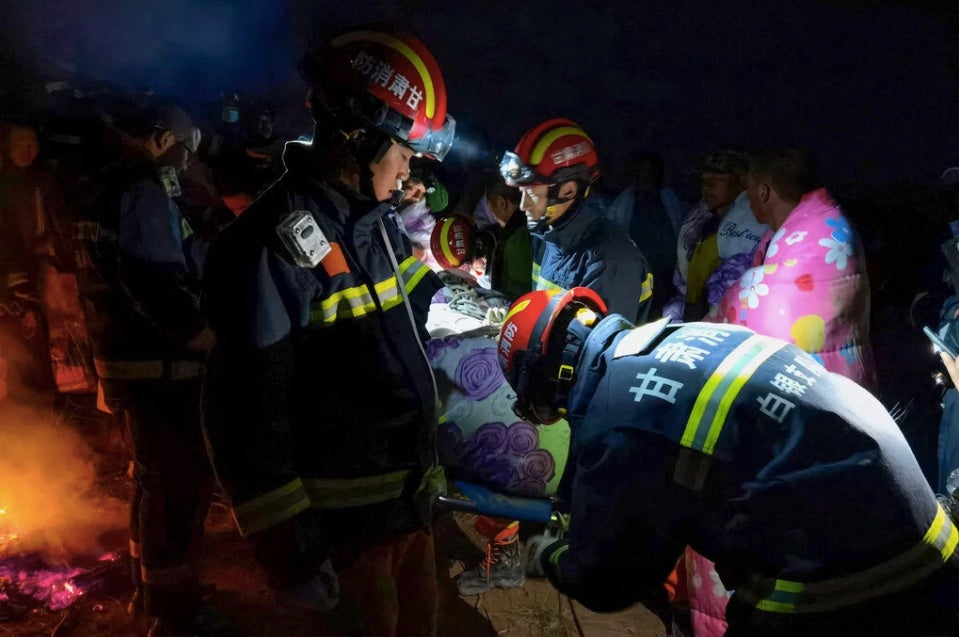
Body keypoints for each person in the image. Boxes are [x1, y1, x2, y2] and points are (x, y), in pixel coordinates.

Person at [496, 287, 959, 637]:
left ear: (547, 381)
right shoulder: (676, 337)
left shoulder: (618, 418)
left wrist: (551, 553)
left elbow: (607, 580)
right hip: (925, 526)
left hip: (844, 574)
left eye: (539, 406)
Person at [201, 27, 455, 636]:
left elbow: (395, 322)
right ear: (356, 137)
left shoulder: (372, 225)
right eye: (401, 150)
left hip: (404, 509)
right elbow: (244, 410)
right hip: (344, 532)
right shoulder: (274, 245)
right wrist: (288, 546)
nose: (409, 169)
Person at [74, 102, 220, 637]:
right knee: (178, 486)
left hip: (129, 360)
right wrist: (202, 335)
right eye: (182, 150)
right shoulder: (144, 189)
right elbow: (154, 278)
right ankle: (174, 611)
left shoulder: (103, 184)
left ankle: (150, 592)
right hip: (160, 367)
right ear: (162, 140)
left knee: (155, 483)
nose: (185, 163)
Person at [710, 148, 875, 389]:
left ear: (763, 192)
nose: (747, 197)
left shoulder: (808, 238)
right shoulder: (828, 221)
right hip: (848, 381)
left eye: (749, 189)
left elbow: (764, 304)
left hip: (813, 390)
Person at [499, 118, 652, 323]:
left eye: (532, 194)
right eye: (521, 192)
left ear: (567, 191)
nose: (523, 205)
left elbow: (601, 352)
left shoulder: (612, 261)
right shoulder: (547, 237)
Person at [663, 150, 766, 324]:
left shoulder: (757, 227)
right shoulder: (698, 225)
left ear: (742, 182)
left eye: (718, 179)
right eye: (704, 180)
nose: (707, 185)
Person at [605, 151, 685, 317]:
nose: (645, 177)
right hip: (634, 280)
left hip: (667, 280)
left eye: (650, 172)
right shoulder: (620, 207)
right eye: (640, 172)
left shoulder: (672, 203)